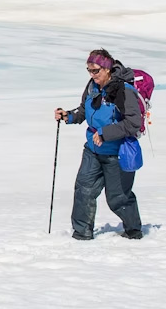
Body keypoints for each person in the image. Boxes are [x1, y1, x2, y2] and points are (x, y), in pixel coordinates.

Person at [55, 49, 144, 240]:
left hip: (117, 153)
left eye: (95, 71)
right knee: (83, 190)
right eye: (89, 70)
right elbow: (84, 110)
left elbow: (133, 122)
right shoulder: (92, 87)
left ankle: (133, 231)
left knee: (118, 199)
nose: (92, 75)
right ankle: (81, 234)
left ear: (107, 68)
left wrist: (105, 133)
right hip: (93, 150)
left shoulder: (124, 91)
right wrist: (69, 116)